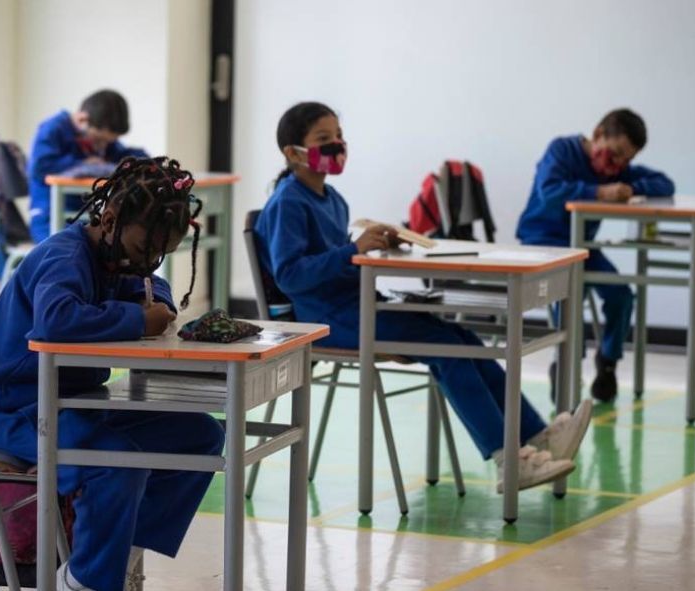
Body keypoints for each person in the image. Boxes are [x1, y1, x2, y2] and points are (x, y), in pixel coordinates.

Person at [254, 101, 592, 493]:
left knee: (464, 338)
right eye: (323, 139)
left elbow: (332, 258)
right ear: (292, 152)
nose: (337, 146)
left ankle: (534, 436)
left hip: (357, 305)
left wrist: (375, 243)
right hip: (329, 319)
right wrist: (352, 251)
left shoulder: (334, 199)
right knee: (447, 348)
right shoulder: (288, 202)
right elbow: (292, 275)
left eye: (339, 137)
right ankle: (507, 459)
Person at [0, 155, 218, 591]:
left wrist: (159, 299)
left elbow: (148, 287)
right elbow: (55, 320)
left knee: (199, 435)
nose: (148, 262)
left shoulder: (118, 258)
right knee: (116, 464)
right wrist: (139, 322)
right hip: (17, 410)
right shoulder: (64, 256)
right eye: (144, 251)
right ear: (111, 218)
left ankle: (117, 559)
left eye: (161, 254)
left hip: (78, 402)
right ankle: (85, 585)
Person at [516, 108, 675, 402]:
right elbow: (550, 192)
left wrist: (630, 188)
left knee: (622, 295)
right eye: (615, 154)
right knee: (569, 295)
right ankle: (566, 361)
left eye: (627, 159)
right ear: (599, 134)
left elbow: (665, 184)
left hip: (583, 248)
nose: (618, 165)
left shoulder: (619, 170)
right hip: (543, 242)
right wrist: (600, 193)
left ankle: (608, 362)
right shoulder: (562, 150)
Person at [26, 89, 149, 243]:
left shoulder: (102, 138)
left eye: (108, 142)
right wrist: (81, 164)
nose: (102, 146)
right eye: (98, 139)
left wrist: (142, 161)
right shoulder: (53, 129)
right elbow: (39, 167)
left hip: (81, 217)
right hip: (48, 217)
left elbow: (123, 156)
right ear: (82, 120)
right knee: (77, 247)